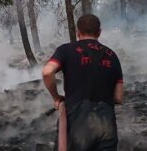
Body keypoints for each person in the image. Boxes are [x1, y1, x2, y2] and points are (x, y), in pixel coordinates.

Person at [42, 14, 123, 151]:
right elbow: (119, 98)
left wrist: (56, 98)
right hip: (107, 123)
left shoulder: (66, 50)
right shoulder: (112, 55)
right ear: (99, 32)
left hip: (78, 122)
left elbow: (47, 72)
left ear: (77, 32)